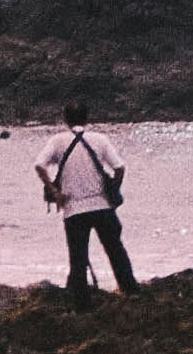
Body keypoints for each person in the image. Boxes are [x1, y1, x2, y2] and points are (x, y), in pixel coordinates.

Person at [39, 105, 132, 296]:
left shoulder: (58, 141)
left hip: (74, 210)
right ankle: (130, 290)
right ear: (87, 118)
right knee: (116, 252)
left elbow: (40, 165)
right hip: (102, 207)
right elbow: (120, 168)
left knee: (78, 258)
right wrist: (113, 190)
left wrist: (54, 192)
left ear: (65, 119)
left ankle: (81, 303)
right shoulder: (100, 139)